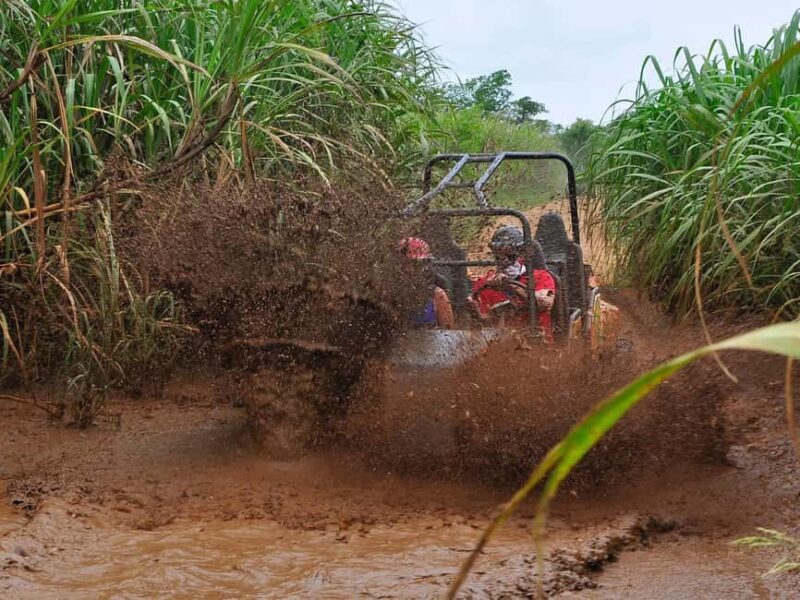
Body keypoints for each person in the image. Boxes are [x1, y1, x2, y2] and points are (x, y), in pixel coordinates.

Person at [469, 225, 556, 341]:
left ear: (522, 255)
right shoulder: (484, 283)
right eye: (499, 257)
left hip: (537, 340)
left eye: (510, 256)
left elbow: (544, 303)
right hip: (498, 342)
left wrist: (511, 286)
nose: (505, 261)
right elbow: (480, 323)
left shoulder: (540, 277)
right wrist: (473, 308)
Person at [398, 236, 455, 329]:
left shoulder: (437, 295)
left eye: (418, 265)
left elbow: (448, 332)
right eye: (410, 263)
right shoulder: (389, 294)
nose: (411, 269)